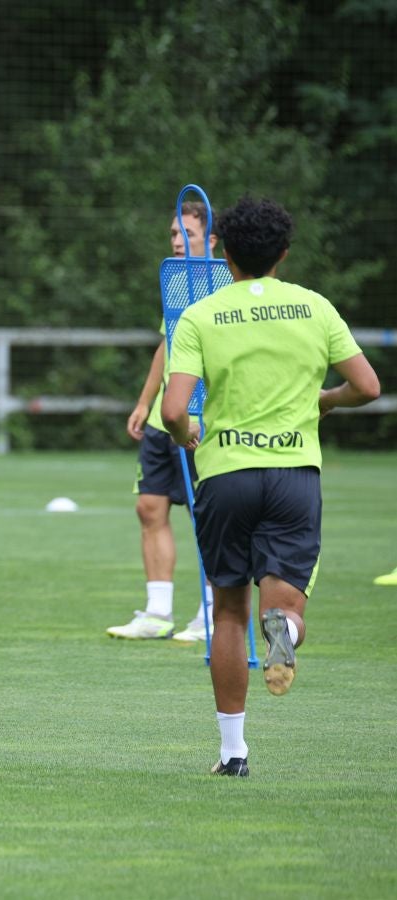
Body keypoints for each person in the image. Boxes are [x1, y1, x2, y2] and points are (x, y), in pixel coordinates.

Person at [161, 196, 380, 776]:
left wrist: (186, 434)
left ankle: (233, 752)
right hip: (294, 475)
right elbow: (368, 386)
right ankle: (285, 630)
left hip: (226, 475)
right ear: (284, 253)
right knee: (281, 607)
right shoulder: (314, 307)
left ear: (224, 253)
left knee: (228, 611)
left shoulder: (200, 315)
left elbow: (174, 407)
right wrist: (327, 401)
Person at [109, 201, 217, 642]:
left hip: (201, 421)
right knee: (149, 507)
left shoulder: (220, 285)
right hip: (161, 419)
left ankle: (209, 615)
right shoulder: (176, 279)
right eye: (173, 232)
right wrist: (144, 401)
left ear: (210, 241)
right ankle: (157, 613)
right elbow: (166, 344)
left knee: (208, 516)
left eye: (186, 234)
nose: (176, 240)